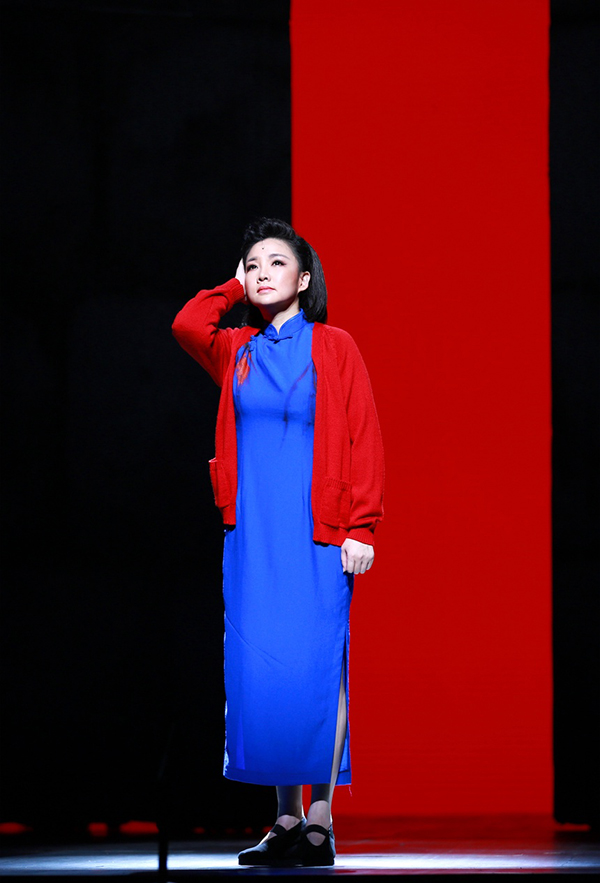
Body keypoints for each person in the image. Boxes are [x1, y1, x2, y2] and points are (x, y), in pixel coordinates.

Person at [172, 218, 384, 867]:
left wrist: (362, 526)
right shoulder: (237, 349)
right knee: (265, 671)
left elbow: (364, 434)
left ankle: (320, 817)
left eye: (276, 262)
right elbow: (187, 325)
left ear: (305, 277)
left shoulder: (334, 346)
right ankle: (285, 818)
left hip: (317, 531)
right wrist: (231, 288)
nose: (263, 272)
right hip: (253, 535)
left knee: (318, 668)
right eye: (253, 264)